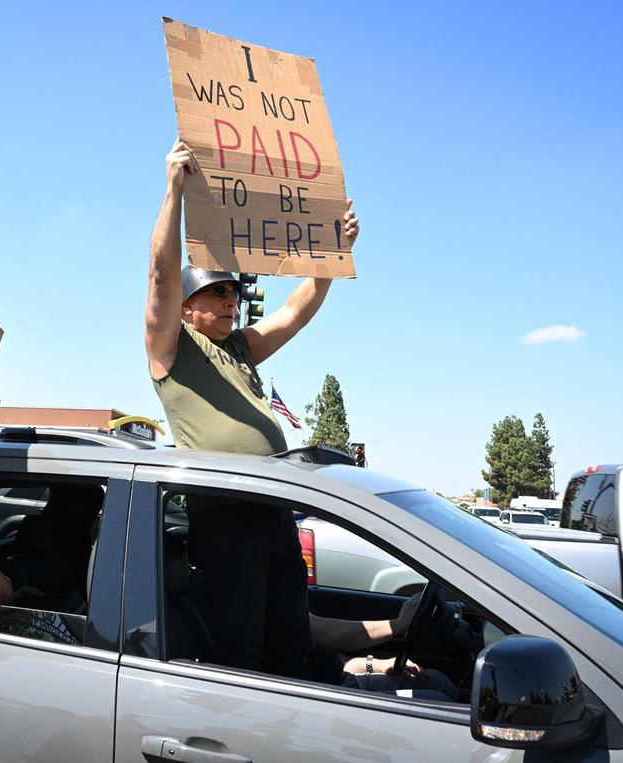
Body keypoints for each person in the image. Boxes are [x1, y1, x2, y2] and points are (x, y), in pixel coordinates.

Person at [146, 138, 359, 679]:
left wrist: (331, 257)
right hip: (227, 519)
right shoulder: (170, 349)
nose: (229, 301)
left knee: (290, 642)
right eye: (216, 293)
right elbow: (162, 276)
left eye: (231, 293)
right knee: (241, 653)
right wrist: (173, 191)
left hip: (273, 510)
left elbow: (292, 314)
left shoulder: (237, 347)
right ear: (187, 308)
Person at [309, 603, 457, 699]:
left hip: (343, 680)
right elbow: (324, 633)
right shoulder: (286, 597)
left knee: (438, 680)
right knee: (439, 703)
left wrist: (379, 665)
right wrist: (399, 625)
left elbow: (343, 663)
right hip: (326, 696)